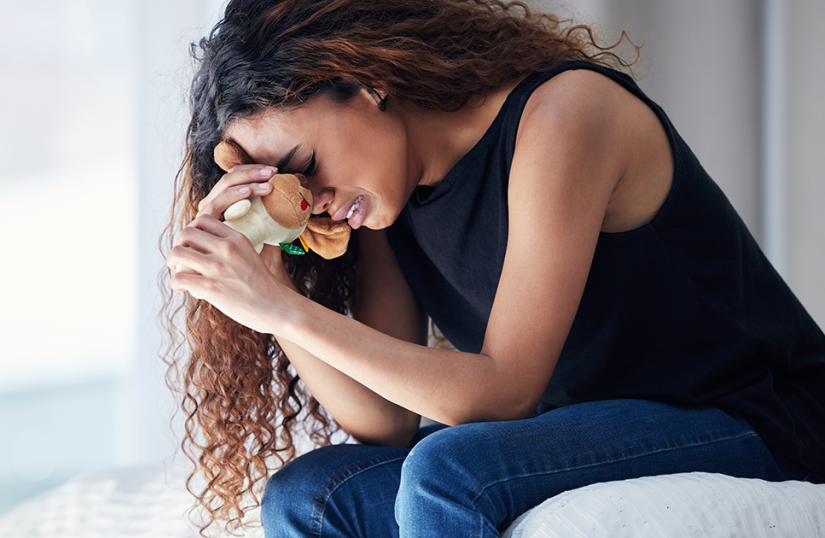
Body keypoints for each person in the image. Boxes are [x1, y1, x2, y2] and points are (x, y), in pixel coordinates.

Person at [161, 0, 825, 536]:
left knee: (449, 469)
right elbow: (385, 421)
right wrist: (269, 275)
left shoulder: (563, 115)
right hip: (586, 431)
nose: (313, 199)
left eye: (305, 166)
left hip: (753, 416)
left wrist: (283, 309)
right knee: (311, 493)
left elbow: (505, 392)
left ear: (365, 81)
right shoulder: (384, 203)